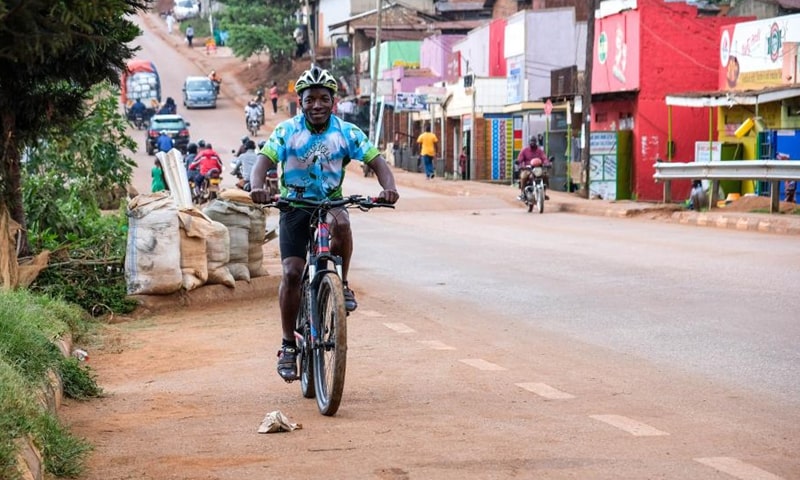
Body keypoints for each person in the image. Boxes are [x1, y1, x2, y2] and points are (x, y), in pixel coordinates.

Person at [249, 65, 400, 382]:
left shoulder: (347, 132)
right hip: (294, 205)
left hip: (330, 202)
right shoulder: (286, 131)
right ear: (300, 103)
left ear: (334, 102)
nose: (316, 105)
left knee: (342, 224)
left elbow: (377, 162)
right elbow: (262, 162)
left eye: (323, 99)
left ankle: (341, 283)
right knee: (291, 272)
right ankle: (289, 344)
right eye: (310, 100)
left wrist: (389, 188)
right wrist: (258, 187)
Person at [516, 135, 549, 200]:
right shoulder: (524, 150)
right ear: (529, 142)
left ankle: (544, 193)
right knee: (523, 177)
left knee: (546, 175)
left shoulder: (539, 151)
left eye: (534, 141)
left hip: (538, 169)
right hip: (528, 169)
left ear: (536, 142)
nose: (532, 143)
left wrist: (547, 163)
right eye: (531, 141)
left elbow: (544, 158)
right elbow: (519, 159)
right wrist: (520, 164)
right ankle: (523, 193)